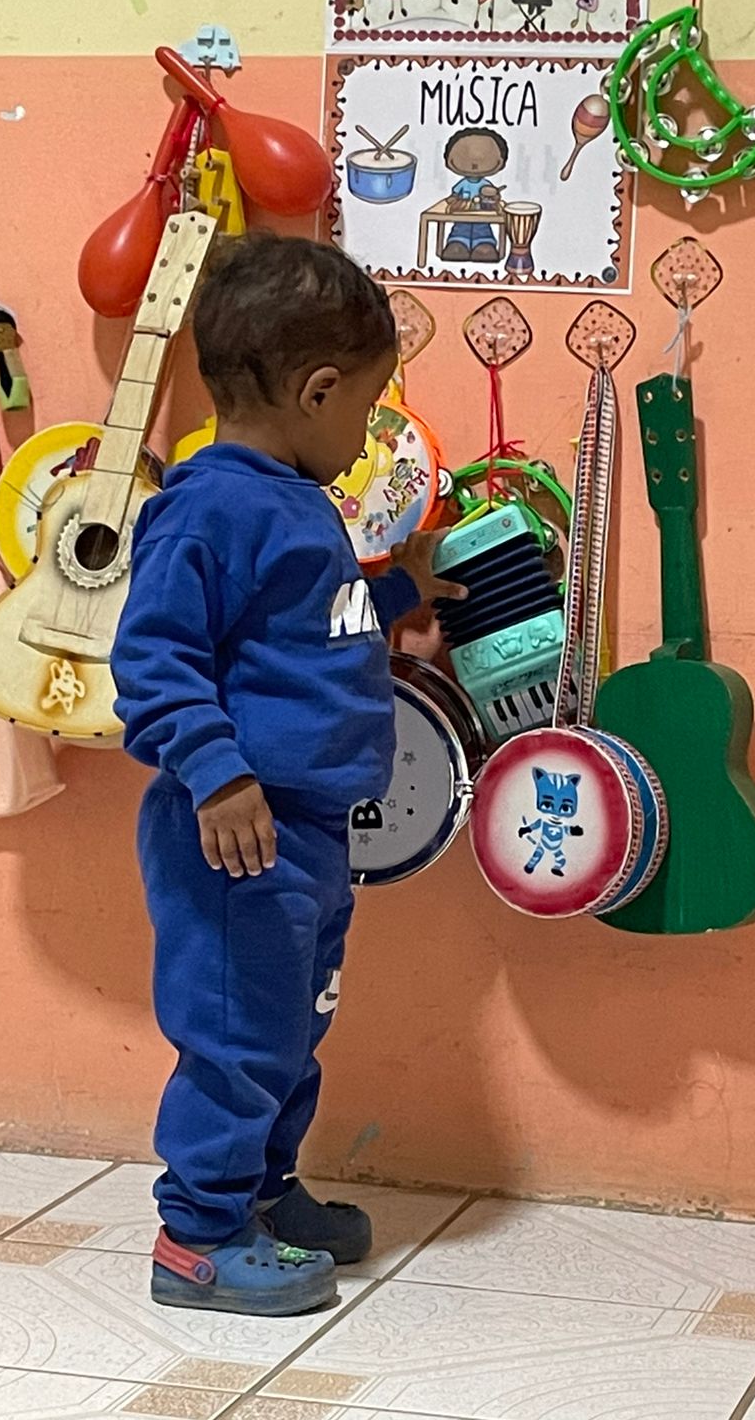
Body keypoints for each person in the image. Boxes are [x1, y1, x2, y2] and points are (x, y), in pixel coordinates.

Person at [111, 236, 465, 1316]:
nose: (367, 431)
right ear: (317, 391)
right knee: (234, 1037)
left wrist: (395, 593)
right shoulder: (207, 508)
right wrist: (219, 778)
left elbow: (297, 625)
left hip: (306, 830)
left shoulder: (291, 499)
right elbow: (153, 659)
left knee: (288, 1026)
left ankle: (261, 1191)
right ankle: (198, 1236)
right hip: (238, 831)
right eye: (366, 404)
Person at [439, 126, 508, 263]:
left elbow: (493, 196)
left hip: (482, 220)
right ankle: (458, 243)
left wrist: (495, 198)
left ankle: (484, 244)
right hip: (461, 218)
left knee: (483, 232)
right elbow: (454, 195)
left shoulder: (486, 184)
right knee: (459, 232)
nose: (475, 163)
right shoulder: (463, 184)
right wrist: (453, 200)